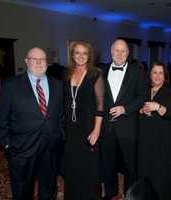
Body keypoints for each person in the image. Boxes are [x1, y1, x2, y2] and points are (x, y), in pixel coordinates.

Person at [0, 47, 65, 200]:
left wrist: (60, 136)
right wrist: (8, 145)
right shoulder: (10, 85)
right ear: (27, 61)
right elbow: (2, 120)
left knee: (49, 188)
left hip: (50, 149)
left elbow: (61, 116)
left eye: (43, 59)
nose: (39, 62)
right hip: (22, 150)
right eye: (35, 59)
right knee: (22, 191)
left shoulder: (58, 85)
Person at [100, 39, 148, 199]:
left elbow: (143, 96)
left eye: (123, 51)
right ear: (111, 51)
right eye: (117, 50)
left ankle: (129, 194)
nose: (120, 54)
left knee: (129, 164)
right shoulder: (101, 70)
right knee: (108, 162)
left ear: (128, 53)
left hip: (128, 127)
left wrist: (125, 109)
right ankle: (111, 192)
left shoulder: (138, 72)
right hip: (106, 126)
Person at [62, 41, 105, 200]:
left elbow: (101, 104)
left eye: (84, 53)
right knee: (72, 166)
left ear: (89, 56)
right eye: (77, 53)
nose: (80, 56)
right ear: (72, 55)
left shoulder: (95, 74)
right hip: (71, 128)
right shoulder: (66, 73)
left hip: (88, 128)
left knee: (89, 168)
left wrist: (97, 129)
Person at [138, 61, 171, 200]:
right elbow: (138, 111)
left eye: (161, 73)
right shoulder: (145, 91)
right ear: (150, 74)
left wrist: (158, 107)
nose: (157, 76)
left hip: (162, 145)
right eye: (155, 72)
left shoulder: (169, 93)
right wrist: (141, 110)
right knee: (146, 179)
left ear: (165, 75)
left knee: (161, 181)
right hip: (146, 142)